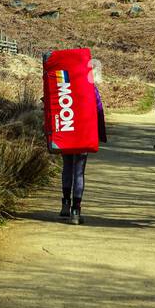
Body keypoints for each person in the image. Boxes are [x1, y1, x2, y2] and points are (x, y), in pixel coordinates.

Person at [60, 82, 107, 225]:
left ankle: (65, 205)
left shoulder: (62, 85)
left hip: (66, 131)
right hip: (83, 134)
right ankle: (76, 212)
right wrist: (100, 135)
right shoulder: (89, 86)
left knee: (67, 167)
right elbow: (99, 109)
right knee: (79, 172)